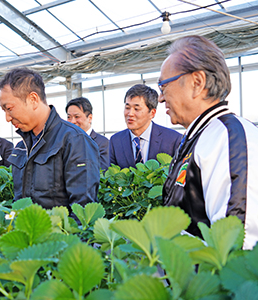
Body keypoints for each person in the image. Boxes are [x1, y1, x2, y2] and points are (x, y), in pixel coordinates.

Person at [159, 35, 258, 250]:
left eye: (163, 85)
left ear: (197, 82)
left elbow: (237, 246)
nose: (160, 98)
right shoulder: (200, 135)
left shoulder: (228, 137)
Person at [0, 68, 100, 212]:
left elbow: (83, 212)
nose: (7, 118)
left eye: (9, 108)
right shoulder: (22, 146)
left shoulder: (75, 141)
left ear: (33, 99)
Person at [109, 84, 182, 169]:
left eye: (136, 109)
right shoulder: (116, 141)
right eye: (127, 107)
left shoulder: (173, 140)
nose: (130, 114)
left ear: (152, 113)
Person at [66, 97, 109, 170]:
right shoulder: (65, 142)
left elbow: (103, 171)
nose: (72, 121)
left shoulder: (102, 143)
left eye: (77, 117)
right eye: (69, 117)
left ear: (90, 118)